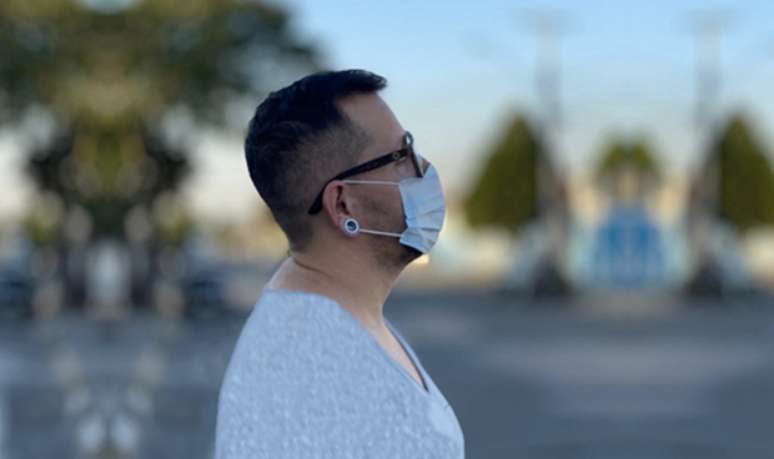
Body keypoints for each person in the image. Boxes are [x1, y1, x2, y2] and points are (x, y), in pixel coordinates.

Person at [215, 69, 464, 458]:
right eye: (401, 155)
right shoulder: (305, 369)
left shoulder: (342, 318)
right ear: (344, 205)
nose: (423, 166)